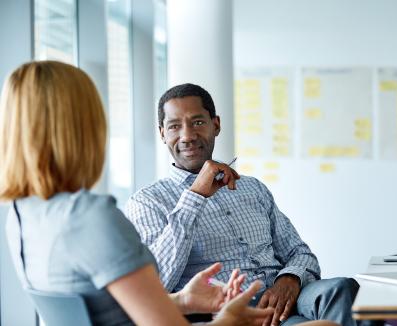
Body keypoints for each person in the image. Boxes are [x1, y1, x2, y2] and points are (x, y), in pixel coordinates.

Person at [0, 61, 275, 326]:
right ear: (84, 128)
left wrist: (183, 300)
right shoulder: (91, 217)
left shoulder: (21, 214)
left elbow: (102, 313)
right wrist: (230, 320)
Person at [126, 83, 360, 326]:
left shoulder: (252, 188)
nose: (187, 136)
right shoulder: (147, 202)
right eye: (175, 126)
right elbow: (157, 282)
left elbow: (299, 253)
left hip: (287, 297)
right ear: (163, 133)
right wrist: (194, 197)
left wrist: (290, 278)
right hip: (230, 313)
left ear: (215, 125)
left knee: (341, 289)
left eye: (197, 123)